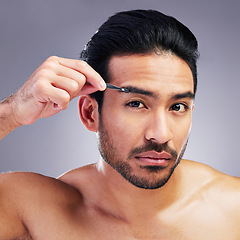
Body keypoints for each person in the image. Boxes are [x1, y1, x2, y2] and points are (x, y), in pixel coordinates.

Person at [0, 9, 239, 239]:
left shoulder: (232, 208)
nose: (160, 134)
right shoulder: (35, 211)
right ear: (90, 113)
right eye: (136, 104)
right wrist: (11, 112)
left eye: (177, 106)